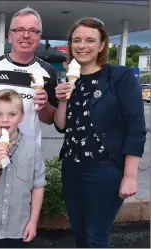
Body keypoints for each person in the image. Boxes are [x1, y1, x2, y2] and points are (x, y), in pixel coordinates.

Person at [0, 7, 58, 248]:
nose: (26, 35)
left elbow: (51, 118)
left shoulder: (47, 72)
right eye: (20, 30)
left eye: (32, 31)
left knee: (20, 215)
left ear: (39, 37)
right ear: (10, 36)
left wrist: (46, 104)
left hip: (27, 156)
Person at [54, 17, 146, 248]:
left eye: (89, 40)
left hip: (105, 170)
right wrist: (62, 100)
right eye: (76, 40)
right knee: (80, 233)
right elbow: (61, 126)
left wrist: (130, 176)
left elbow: (136, 129)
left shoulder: (119, 77)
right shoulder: (70, 79)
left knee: (96, 237)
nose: (82, 45)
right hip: (72, 169)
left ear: (102, 45)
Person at [0, 89, 46, 248]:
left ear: (21, 116)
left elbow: (38, 186)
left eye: (12, 115)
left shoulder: (32, 147)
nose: (5, 120)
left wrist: (33, 222)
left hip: (20, 229)